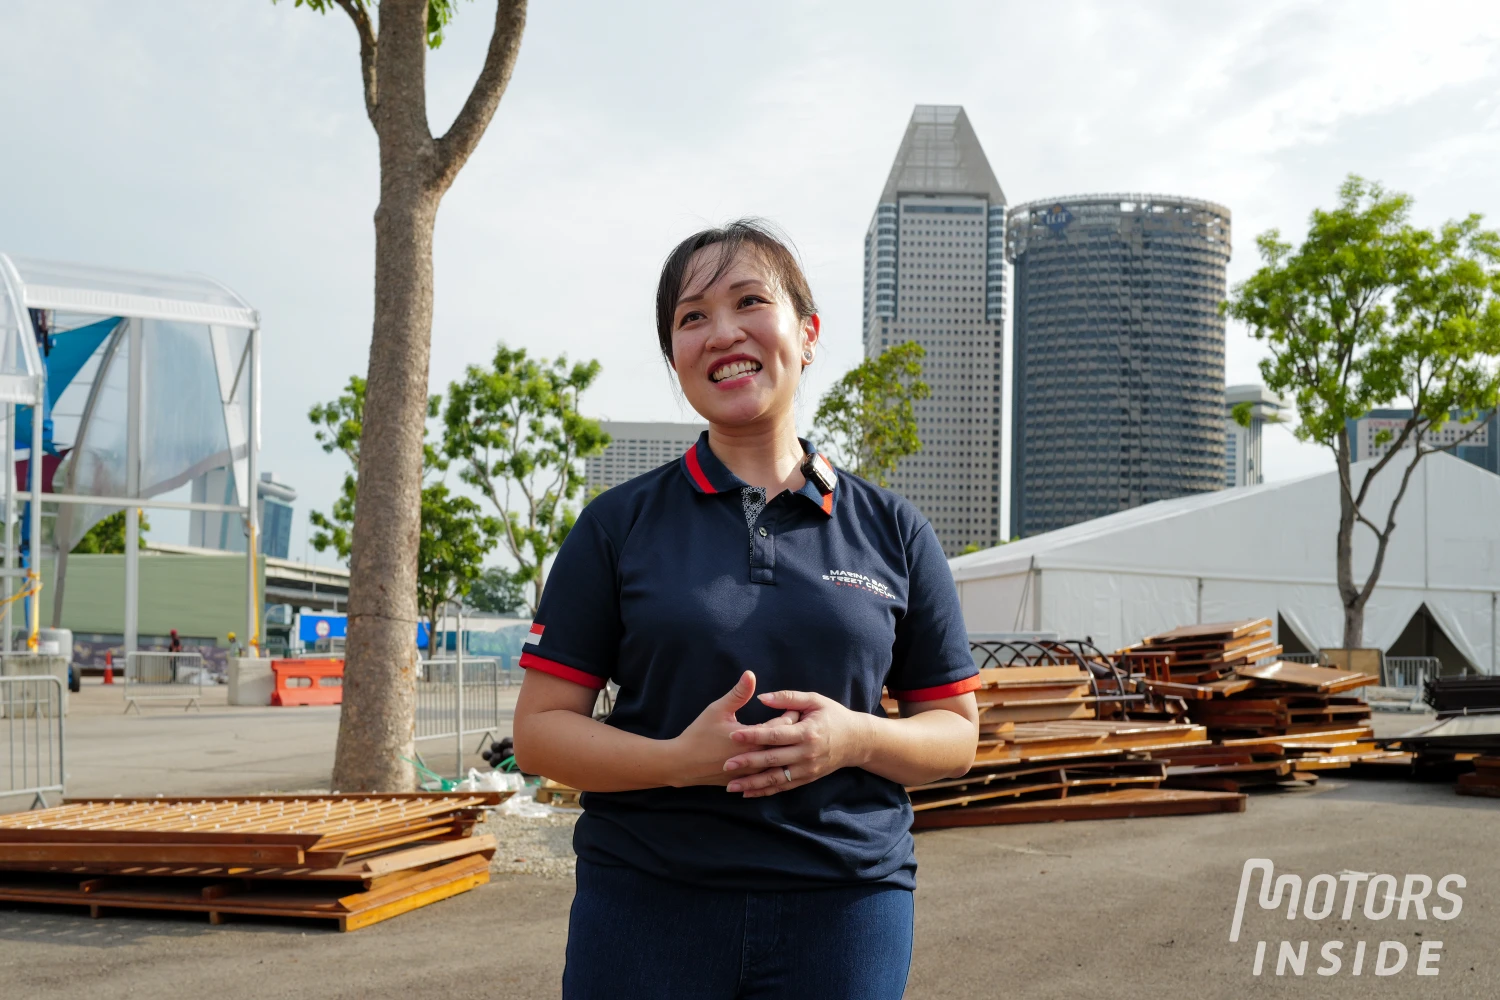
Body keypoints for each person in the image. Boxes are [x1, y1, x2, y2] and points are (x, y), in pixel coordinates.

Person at [513, 220, 981, 1000]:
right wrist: (676, 762)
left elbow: (956, 734)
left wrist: (853, 737)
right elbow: (538, 732)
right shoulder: (618, 524)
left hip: (844, 906)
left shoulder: (893, 530)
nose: (722, 331)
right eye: (692, 316)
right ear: (675, 358)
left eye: (749, 301)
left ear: (806, 332)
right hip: (645, 906)